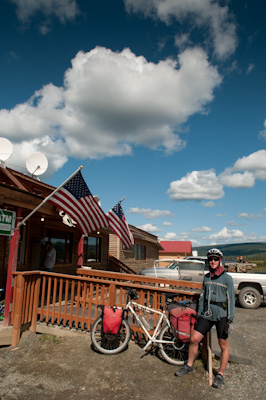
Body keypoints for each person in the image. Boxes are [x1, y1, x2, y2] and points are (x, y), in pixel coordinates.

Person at [174, 248, 235, 389]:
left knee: (223, 345)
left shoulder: (227, 279)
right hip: (207, 314)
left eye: (215, 259)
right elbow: (202, 297)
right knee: (194, 339)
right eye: (210, 259)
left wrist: (230, 320)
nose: (212, 261)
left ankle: (220, 374)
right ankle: (189, 365)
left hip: (222, 315)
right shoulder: (207, 277)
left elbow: (231, 300)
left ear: (220, 260)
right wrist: (200, 313)